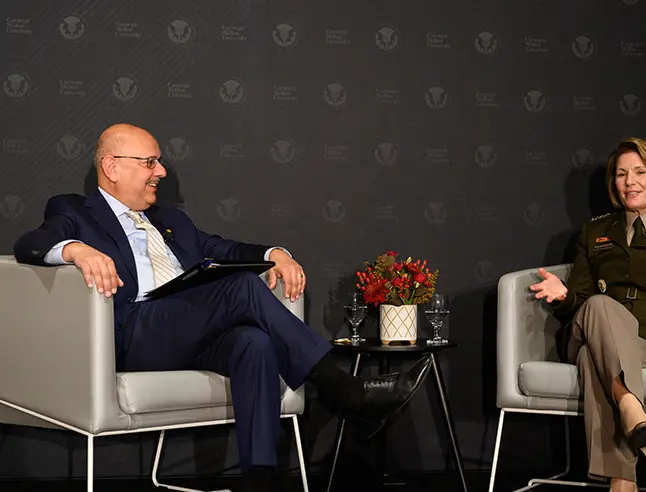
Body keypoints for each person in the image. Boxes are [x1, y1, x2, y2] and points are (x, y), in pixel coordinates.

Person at [13, 124, 431, 492]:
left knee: (254, 344)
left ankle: (258, 479)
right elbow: (28, 244)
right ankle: (343, 389)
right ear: (112, 167)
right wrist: (74, 249)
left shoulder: (172, 221)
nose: (160, 172)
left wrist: (276, 253)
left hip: (189, 329)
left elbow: (227, 248)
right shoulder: (73, 210)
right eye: (150, 162)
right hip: (136, 332)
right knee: (241, 286)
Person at [529, 138, 646, 492]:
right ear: (613, 184)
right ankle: (630, 405)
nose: (629, 181)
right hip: (595, 324)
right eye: (621, 174)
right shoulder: (595, 231)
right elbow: (581, 301)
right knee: (598, 305)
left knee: (591, 357)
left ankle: (622, 481)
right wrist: (565, 296)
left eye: (639, 172)